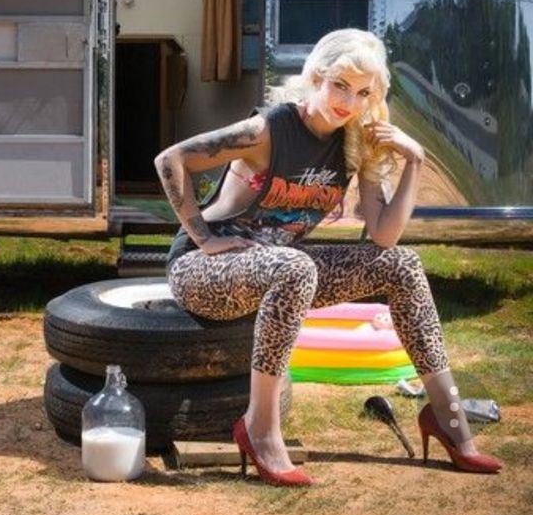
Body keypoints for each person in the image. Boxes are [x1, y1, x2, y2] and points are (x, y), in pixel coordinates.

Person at [155, 27, 501, 486]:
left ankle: (448, 417)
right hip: (204, 272)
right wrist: (202, 237)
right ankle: (259, 428)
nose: (348, 102)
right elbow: (170, 160)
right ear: (315, 77)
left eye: (362, 93)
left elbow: (384, 236)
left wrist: (414, 161)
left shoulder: (354, 142)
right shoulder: (268, 129)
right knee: (294, 264)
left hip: (280, 268)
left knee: (403, 265)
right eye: (340, 85)